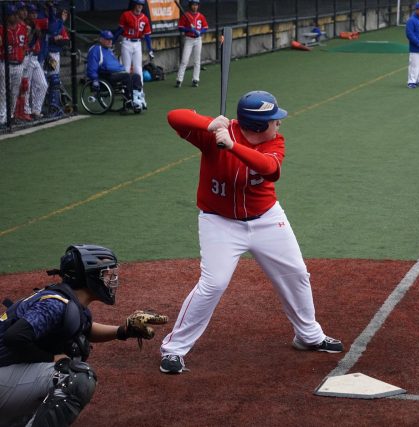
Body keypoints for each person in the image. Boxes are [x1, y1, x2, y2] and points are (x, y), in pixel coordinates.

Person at [159, 91, 344, 374]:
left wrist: (232, 147)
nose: (279, 124)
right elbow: (174, 117)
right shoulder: (216, 134)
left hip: (267, 219)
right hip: (219, 221)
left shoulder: (274, 142)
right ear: (257, 125)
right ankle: (173, 349)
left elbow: (270, 169)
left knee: (295, 272)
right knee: (214, 284)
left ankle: (309, 336)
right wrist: (209, 124)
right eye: (273, 120)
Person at [0, 244, 164, 426]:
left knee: (74, 349)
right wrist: (53, 358)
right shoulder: (55, 304)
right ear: (88, 277)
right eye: (106, 274)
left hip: (6, 374)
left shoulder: (67, 300)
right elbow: (14, 337)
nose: (112, 280)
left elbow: (85, 328)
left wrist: (123, 330)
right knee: (75, 377)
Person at [86, 30, 146, 112]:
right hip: (106, 76)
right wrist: (94, 79)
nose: (110, 41)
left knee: (136, 76)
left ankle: (137, 98)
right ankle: (130, 101)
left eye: (111, 39)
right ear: (101, 39)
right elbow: (92, 67)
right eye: (108, 39)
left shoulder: (109, 51)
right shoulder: (95, 50)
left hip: (117, 74)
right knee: (127, 76)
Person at [114, 0, 153, 89]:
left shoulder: (145, 18)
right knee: (126, 68)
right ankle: (125, 89)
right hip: (126, 42)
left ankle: (140, 89)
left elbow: (147, 36)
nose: (140, 6)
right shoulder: (126, 15)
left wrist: (150, 49)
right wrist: (112, 41)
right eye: (138, 4)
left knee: (138, 68)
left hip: (137, 43)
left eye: (141, 5)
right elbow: (120, 30)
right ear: (134, 5)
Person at [0, 5, 29, 125]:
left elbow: (25, 44)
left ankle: (10, 115)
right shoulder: (1, 30)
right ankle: (2, 116)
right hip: (4, 64)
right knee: (3, 91)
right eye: (12, 14)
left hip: (18, 64)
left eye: (15, 14)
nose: (15, 16)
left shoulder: (22, 28)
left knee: (14, 91)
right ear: (7, 17)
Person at [175, 0, 208, 88]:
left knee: (197, 60)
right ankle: (179, 80)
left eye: (196, 5)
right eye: (193, 5)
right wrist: (190, 30)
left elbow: (205, 27)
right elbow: (180, 28)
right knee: (184, 60)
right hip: (189, 39)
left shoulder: (201, 16)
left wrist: (200, 32)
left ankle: (195, 79)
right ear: (190, 5)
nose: (195, 6)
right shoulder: (186, 15)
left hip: (198, 39)